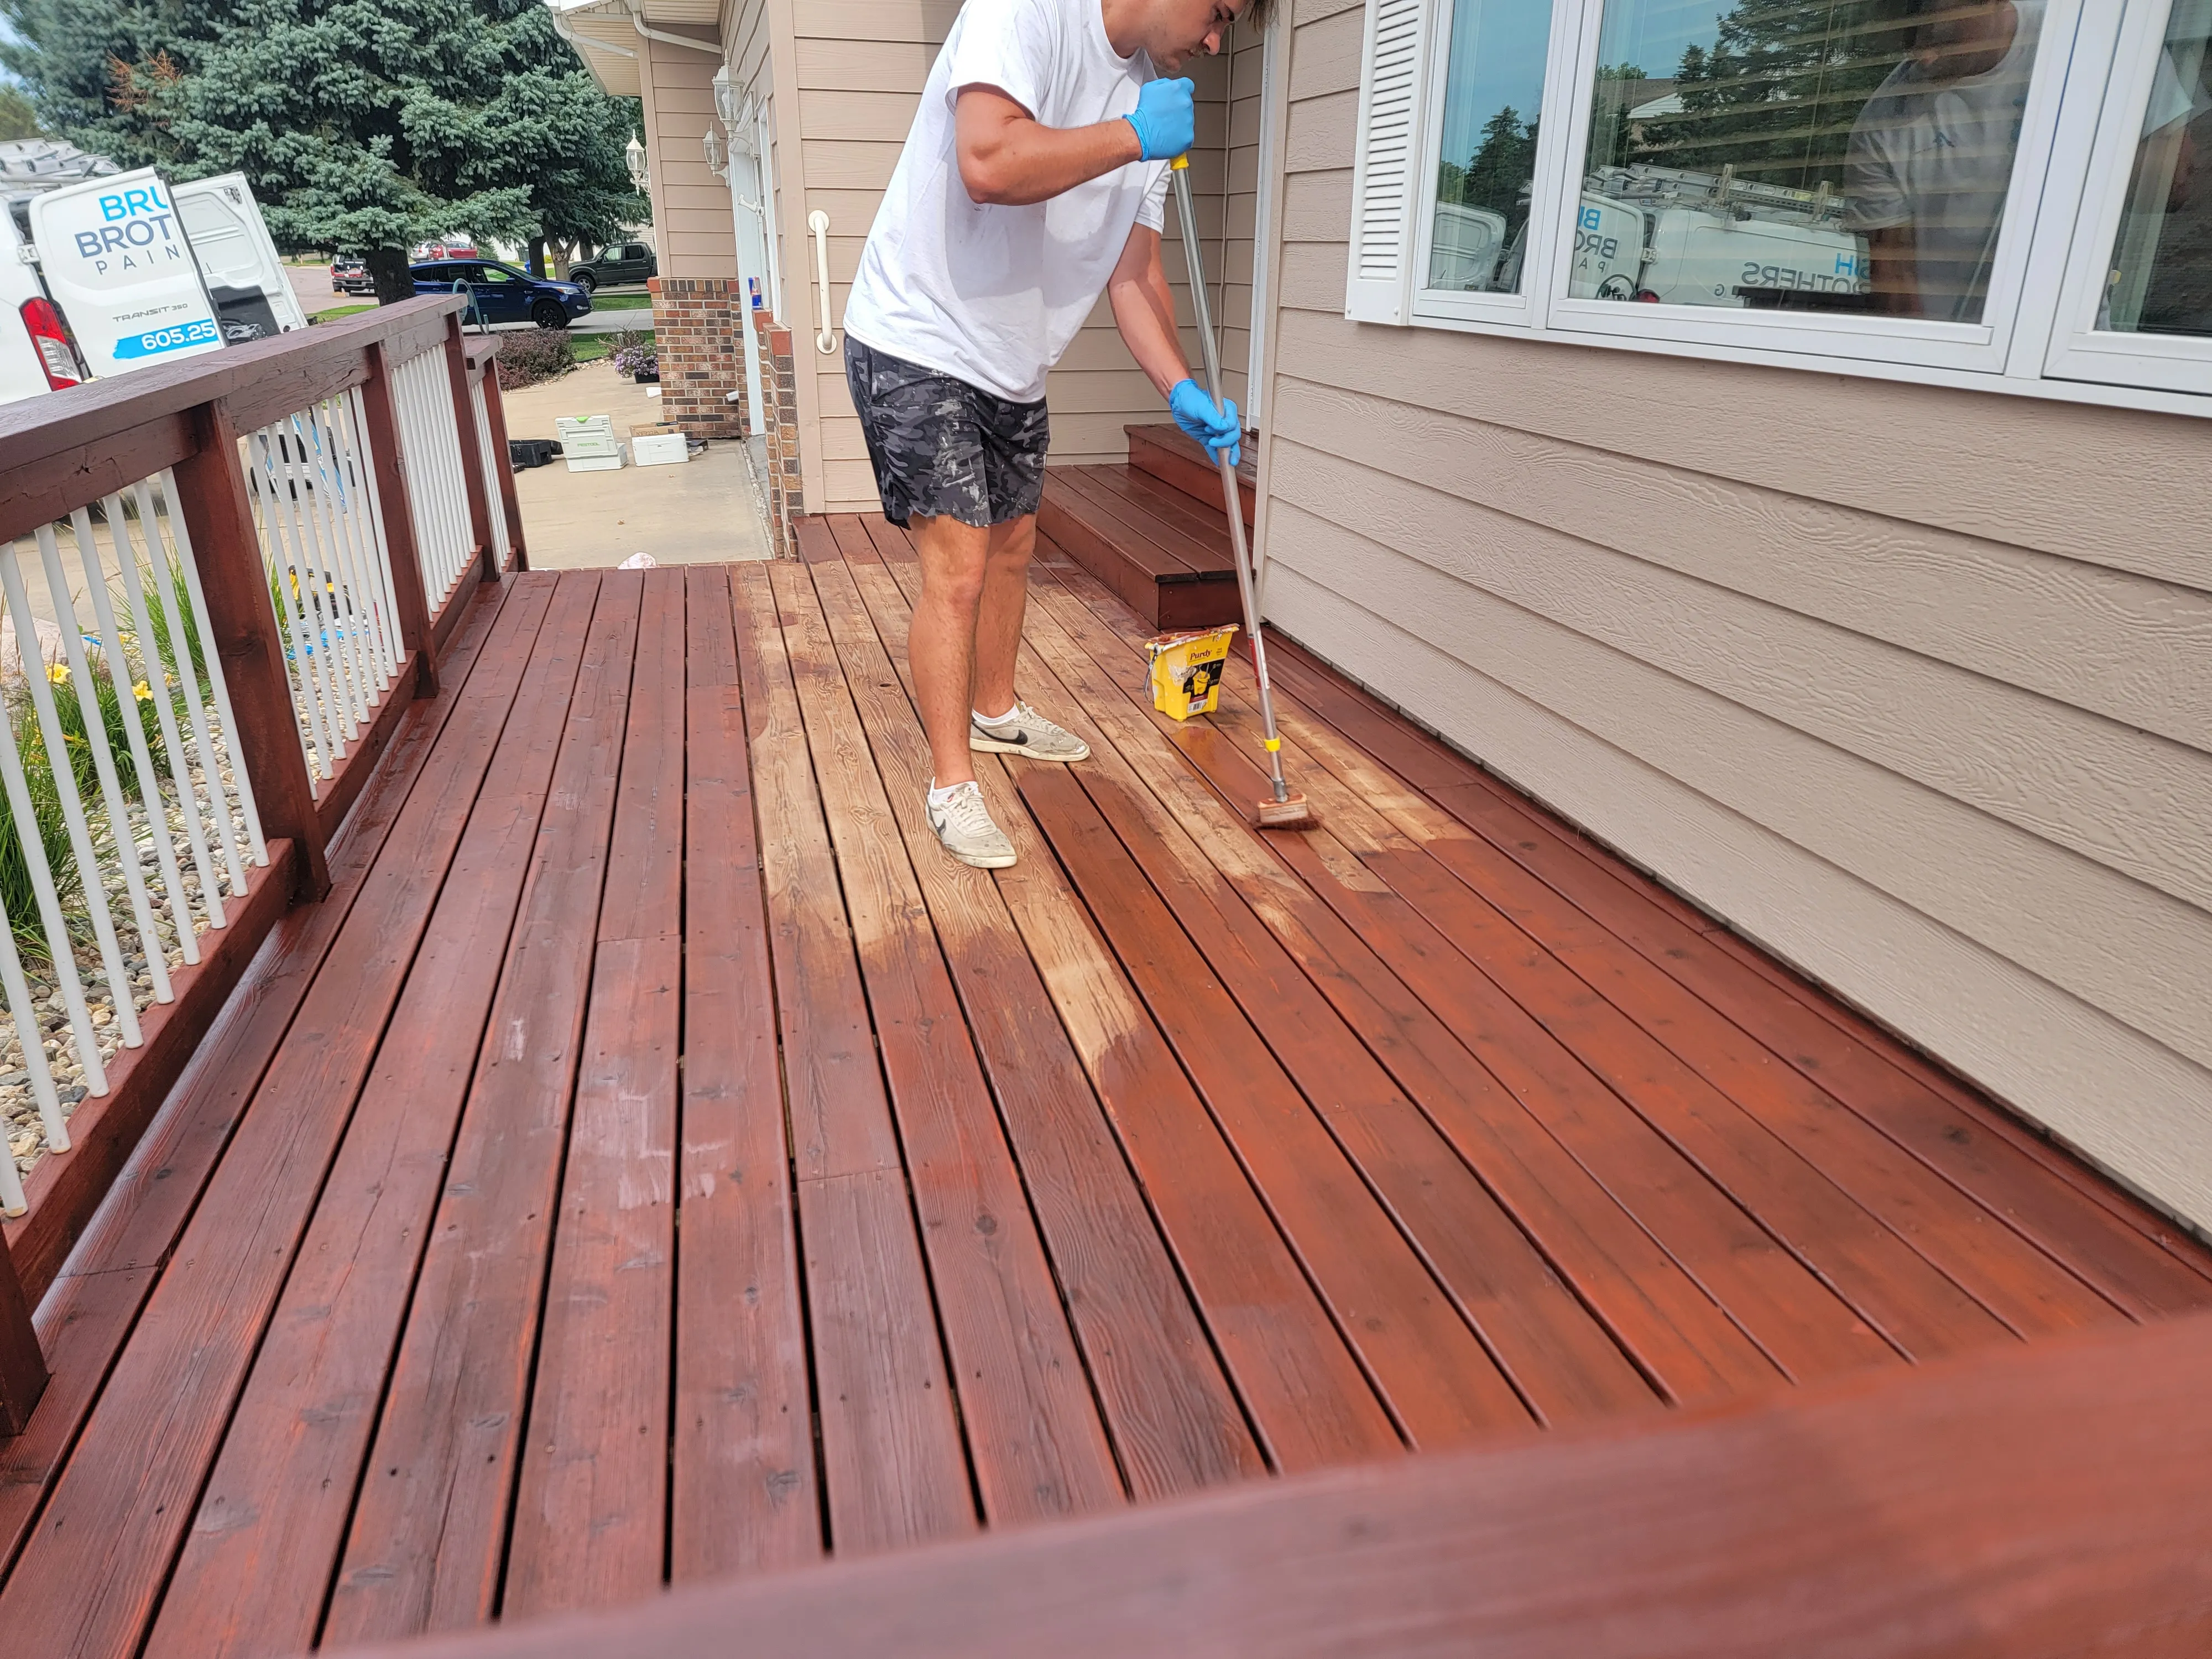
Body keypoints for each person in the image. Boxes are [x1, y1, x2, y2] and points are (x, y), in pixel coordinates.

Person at [840, 0, 1263, 869]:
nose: (1217, 42)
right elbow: (988, 160)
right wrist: (1129, 135)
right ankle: (951, 785)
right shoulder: (1027, 11)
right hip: (917, 333)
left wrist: (1180, 388)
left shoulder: (1156, 95)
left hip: (1013, 354)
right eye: (1220, 13)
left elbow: (1136, 274)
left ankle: (995, 713)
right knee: (955, 567)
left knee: (1012, 546)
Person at [1845, 0, 2044, 324]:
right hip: (1948, 348)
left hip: (2062, 348)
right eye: (1910, 41)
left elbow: (2151, 177)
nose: (1923, 57)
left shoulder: (2077, 45)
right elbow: (1894, 275)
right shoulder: (1883, 126)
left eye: (1944, 37)